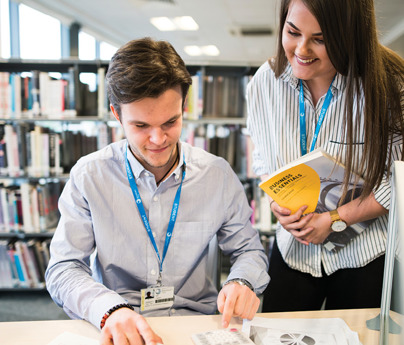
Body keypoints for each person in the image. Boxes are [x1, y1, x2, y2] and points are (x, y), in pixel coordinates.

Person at [45, 37, 269, 345]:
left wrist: (242, 280)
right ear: (116, 114)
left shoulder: (217, 175)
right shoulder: (89, 176)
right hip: (120, 326)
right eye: (140, 126)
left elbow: (249, 251)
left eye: (170, 122)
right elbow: (63, 269)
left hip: (197, 328)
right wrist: (109, 310)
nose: (158, 139)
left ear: (184, 107)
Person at [247, 0, 404, 312]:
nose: (301, 50)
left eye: (320, 39)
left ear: (351, 37)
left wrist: (335, 220)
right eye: (292, 32)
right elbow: (264, 159)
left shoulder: (389, 84)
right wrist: (278, 203)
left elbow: (399, 179)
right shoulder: (265, 82)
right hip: (293, 250)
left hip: (364, 255)